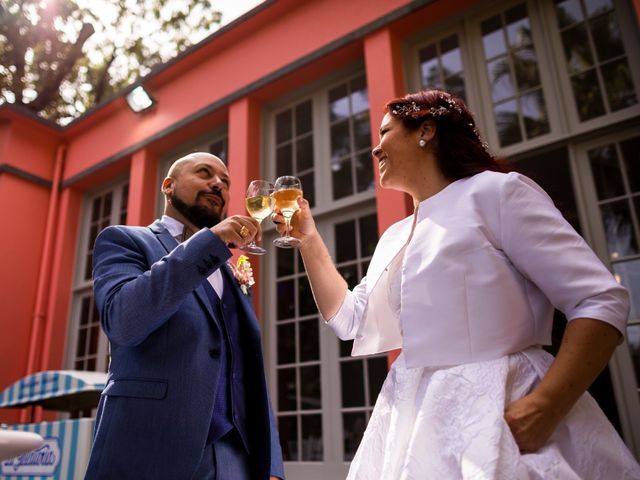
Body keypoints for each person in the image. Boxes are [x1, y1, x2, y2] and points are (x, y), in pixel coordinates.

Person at [277, 90, 640, 478]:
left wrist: (547, 405)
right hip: (411, 423)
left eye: (385, 132)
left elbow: (600, 299)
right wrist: (308, 239)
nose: (375, 149)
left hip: (501, 410)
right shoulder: (394, 236)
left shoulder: (497, 192)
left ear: (426, 130)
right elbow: (350, 320)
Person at [85, 152, 285, 480]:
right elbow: (122, 321)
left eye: (225, 181)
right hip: (150, 452)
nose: (218, 184)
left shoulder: (231, 270)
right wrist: (211, 242)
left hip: (238, 458)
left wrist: (272, 465)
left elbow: (247, 372)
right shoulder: (125, 241)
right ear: (168, 186)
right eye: (205, 173)